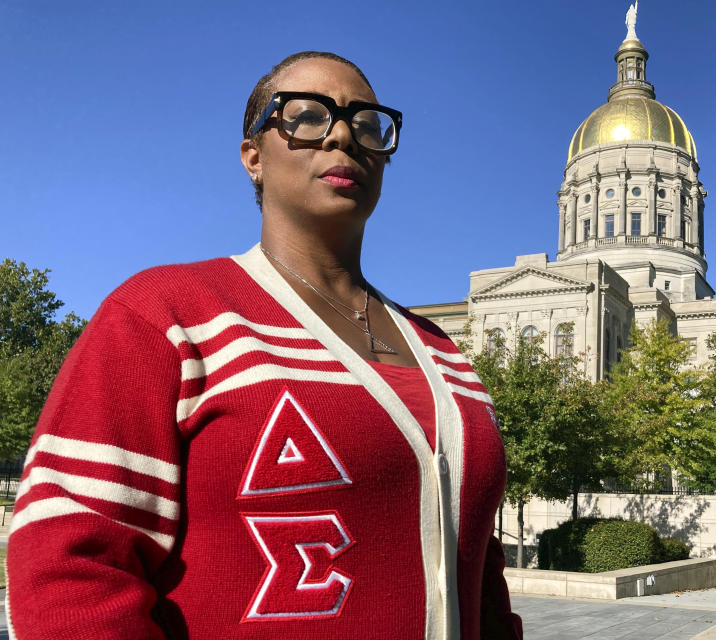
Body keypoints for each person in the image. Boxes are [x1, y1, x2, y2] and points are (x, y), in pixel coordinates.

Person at [6, 51, 522, 640]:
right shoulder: (167, 315)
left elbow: (480, 573)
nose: (344, 135)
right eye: (307, 116)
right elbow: (68, 566)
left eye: (368, 123)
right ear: (253, 156)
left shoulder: (445, 354)